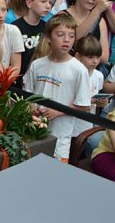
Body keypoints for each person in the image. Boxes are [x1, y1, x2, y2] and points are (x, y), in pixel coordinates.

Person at [23, 12, 92, 160]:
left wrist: (58, 111)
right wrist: (31, 107)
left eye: (71, 36)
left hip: (60, 136)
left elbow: (84, 105)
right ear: (48, 37)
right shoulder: (37, 64)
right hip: (33, 131)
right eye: (60, 35)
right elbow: (27, 93)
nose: (66, 40)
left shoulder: (78, 70)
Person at [62, 0, 111, 64]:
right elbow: (74, 39)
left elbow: (104, 57)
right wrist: (96, 11)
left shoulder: (100, 21)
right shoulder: (62, 16)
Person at [12, 0, 52, 76]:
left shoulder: (47, 28)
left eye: (50, 2)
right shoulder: (15, 27)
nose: (48, 6)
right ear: (29, 3)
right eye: (43, 1)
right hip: (18, 79)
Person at [74, 35, 105, 115]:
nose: (95, 61)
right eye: (90, 57)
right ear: (78, 56)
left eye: (98, 57)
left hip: (88, 121)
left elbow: (95, 103)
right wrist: (87, 101)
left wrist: (100, 102)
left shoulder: (99, 76)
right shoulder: (73, 74)